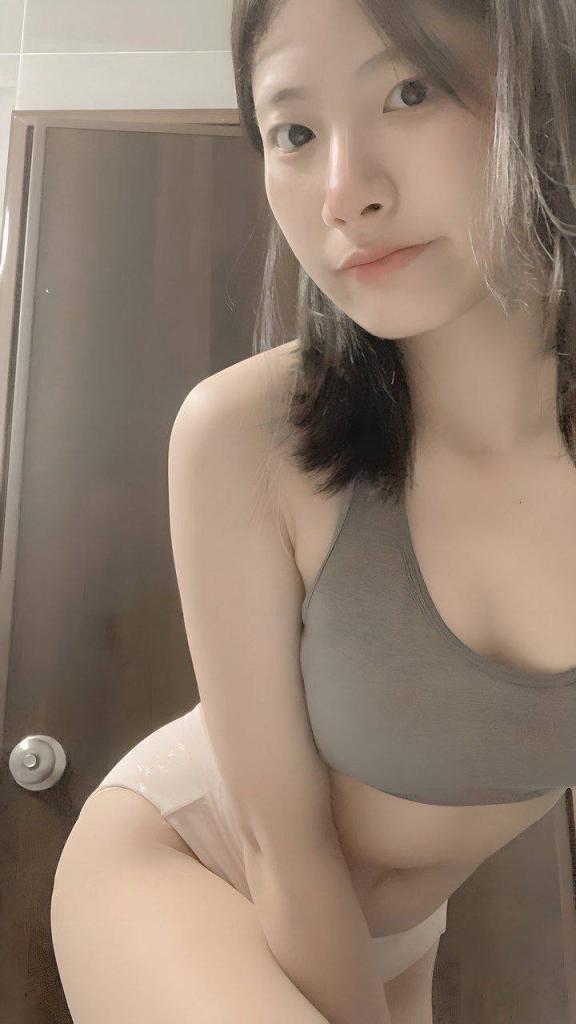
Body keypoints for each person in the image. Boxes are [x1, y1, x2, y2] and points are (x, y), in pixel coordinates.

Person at [50, 1, 576, 1022]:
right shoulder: (243, 438)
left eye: (409, 92)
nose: (344, 193)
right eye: (293, 132)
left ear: (543, 100)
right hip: (196, 866)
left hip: (403, 935)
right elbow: (279, 844)